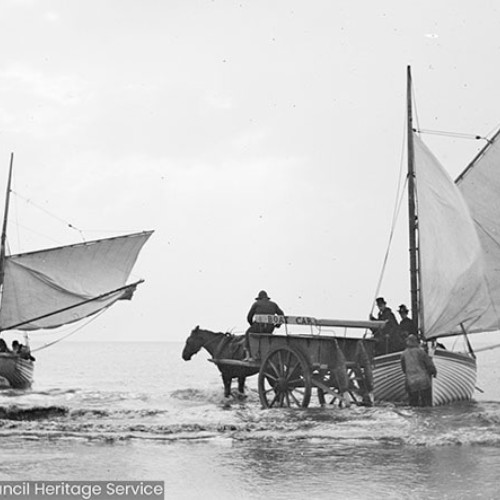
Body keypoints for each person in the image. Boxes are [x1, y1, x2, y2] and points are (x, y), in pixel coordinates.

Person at [244, 290, 284, 360]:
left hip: (258, 327)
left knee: (247, 333)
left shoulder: (256, 304)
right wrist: (277, 325)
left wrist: (252, 325)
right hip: (269, 329)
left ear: (259, 298)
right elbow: (281, 315)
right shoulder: (273, 304)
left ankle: (249, 355)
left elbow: (249, 317)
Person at [400, 334, 437, 406]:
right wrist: (434, 372)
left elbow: (404, 369)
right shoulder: (421, 352)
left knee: (413, 404)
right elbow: (429, 364)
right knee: (426, 403)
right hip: (423, 382)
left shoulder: (403, 354)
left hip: (411, 382)